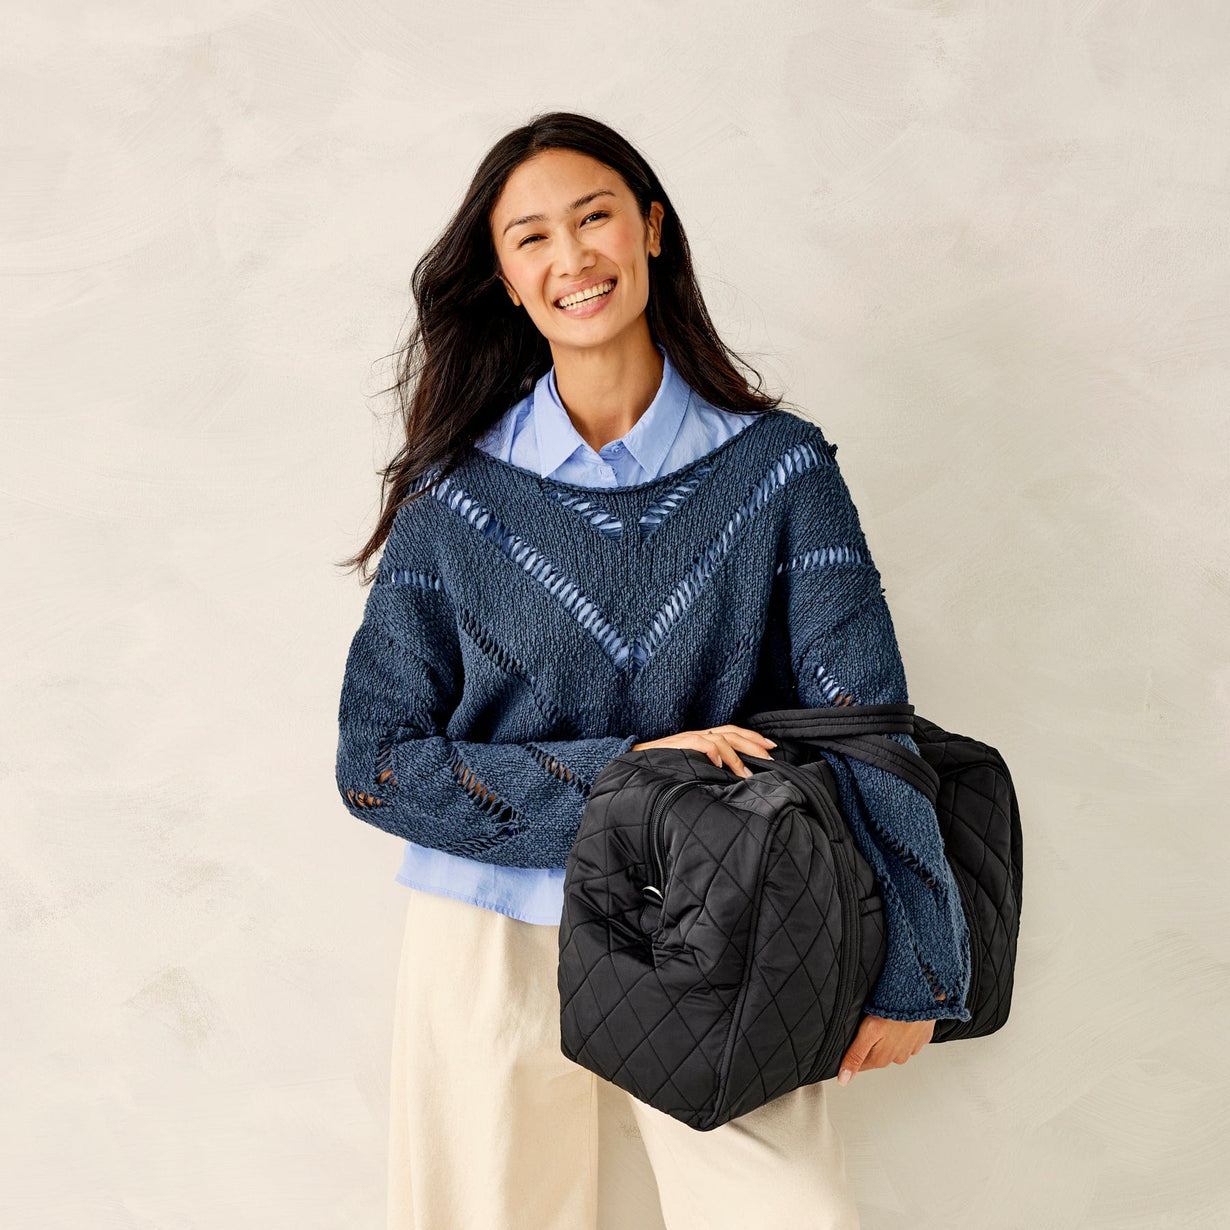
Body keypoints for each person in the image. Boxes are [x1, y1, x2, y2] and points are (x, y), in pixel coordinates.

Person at [334, 111, 971, 1230]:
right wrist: (630, 776)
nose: (571, 257)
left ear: (653, 229)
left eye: (594, 217)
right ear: (506, 279)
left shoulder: (779, 470)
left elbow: (864, 721)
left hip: (733, 921)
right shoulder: (453, 501)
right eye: (532, 237)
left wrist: (916, 958)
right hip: (492, 939)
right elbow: (376, 765)